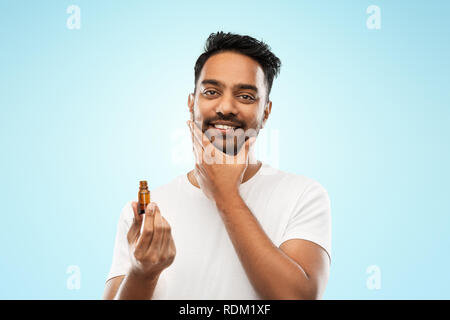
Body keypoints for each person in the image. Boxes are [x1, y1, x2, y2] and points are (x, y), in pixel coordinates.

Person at [103, 31, 331, 300]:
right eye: (211, 92)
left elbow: (299, 297)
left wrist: (226, 194)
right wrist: (143, 272)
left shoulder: (303, 195)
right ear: (192, 103)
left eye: (245, 96)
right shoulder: (148, 211)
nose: (226, 107)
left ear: (266, 112)